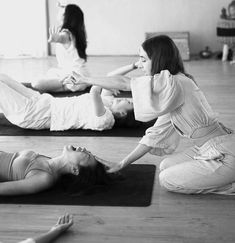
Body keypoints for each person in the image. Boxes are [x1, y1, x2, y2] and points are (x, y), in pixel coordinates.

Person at [67, 35, 235, 195]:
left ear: (158, 59)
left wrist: (86, 80)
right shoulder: (171, 90)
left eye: (143, 59)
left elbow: (126, 83)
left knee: (167, 180)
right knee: (165, 166)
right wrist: (122, 163)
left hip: (224, 153)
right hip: (206, 149)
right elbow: (153, 136)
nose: (140, 65)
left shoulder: (175, 83)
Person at [0, 73, 137, 131]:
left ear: (123, 113)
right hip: (41, 101)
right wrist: (134, 65)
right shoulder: (108, 102)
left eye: (129, 103)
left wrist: (91, 80)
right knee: (3, 77)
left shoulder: (106, 119)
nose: (126, 98)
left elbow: (94, 91)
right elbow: (110, 77)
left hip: (33, 114)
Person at [0, 144, 113, 196]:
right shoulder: (47, 160)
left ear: (75, 170)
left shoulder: (44, 178)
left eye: (86, 156)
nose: (83, 149)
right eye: (88, 151)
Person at [31, 3, 90, 92]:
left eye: (62, 11)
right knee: (50, 73)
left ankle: (66, 86)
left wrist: (56, 38)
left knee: (36, 83)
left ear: (66, 16)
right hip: (77, 74)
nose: (59, 12)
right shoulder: (77, 34)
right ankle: (64, 86)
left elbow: (62, 37)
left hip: (74, 77)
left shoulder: (66, 34)